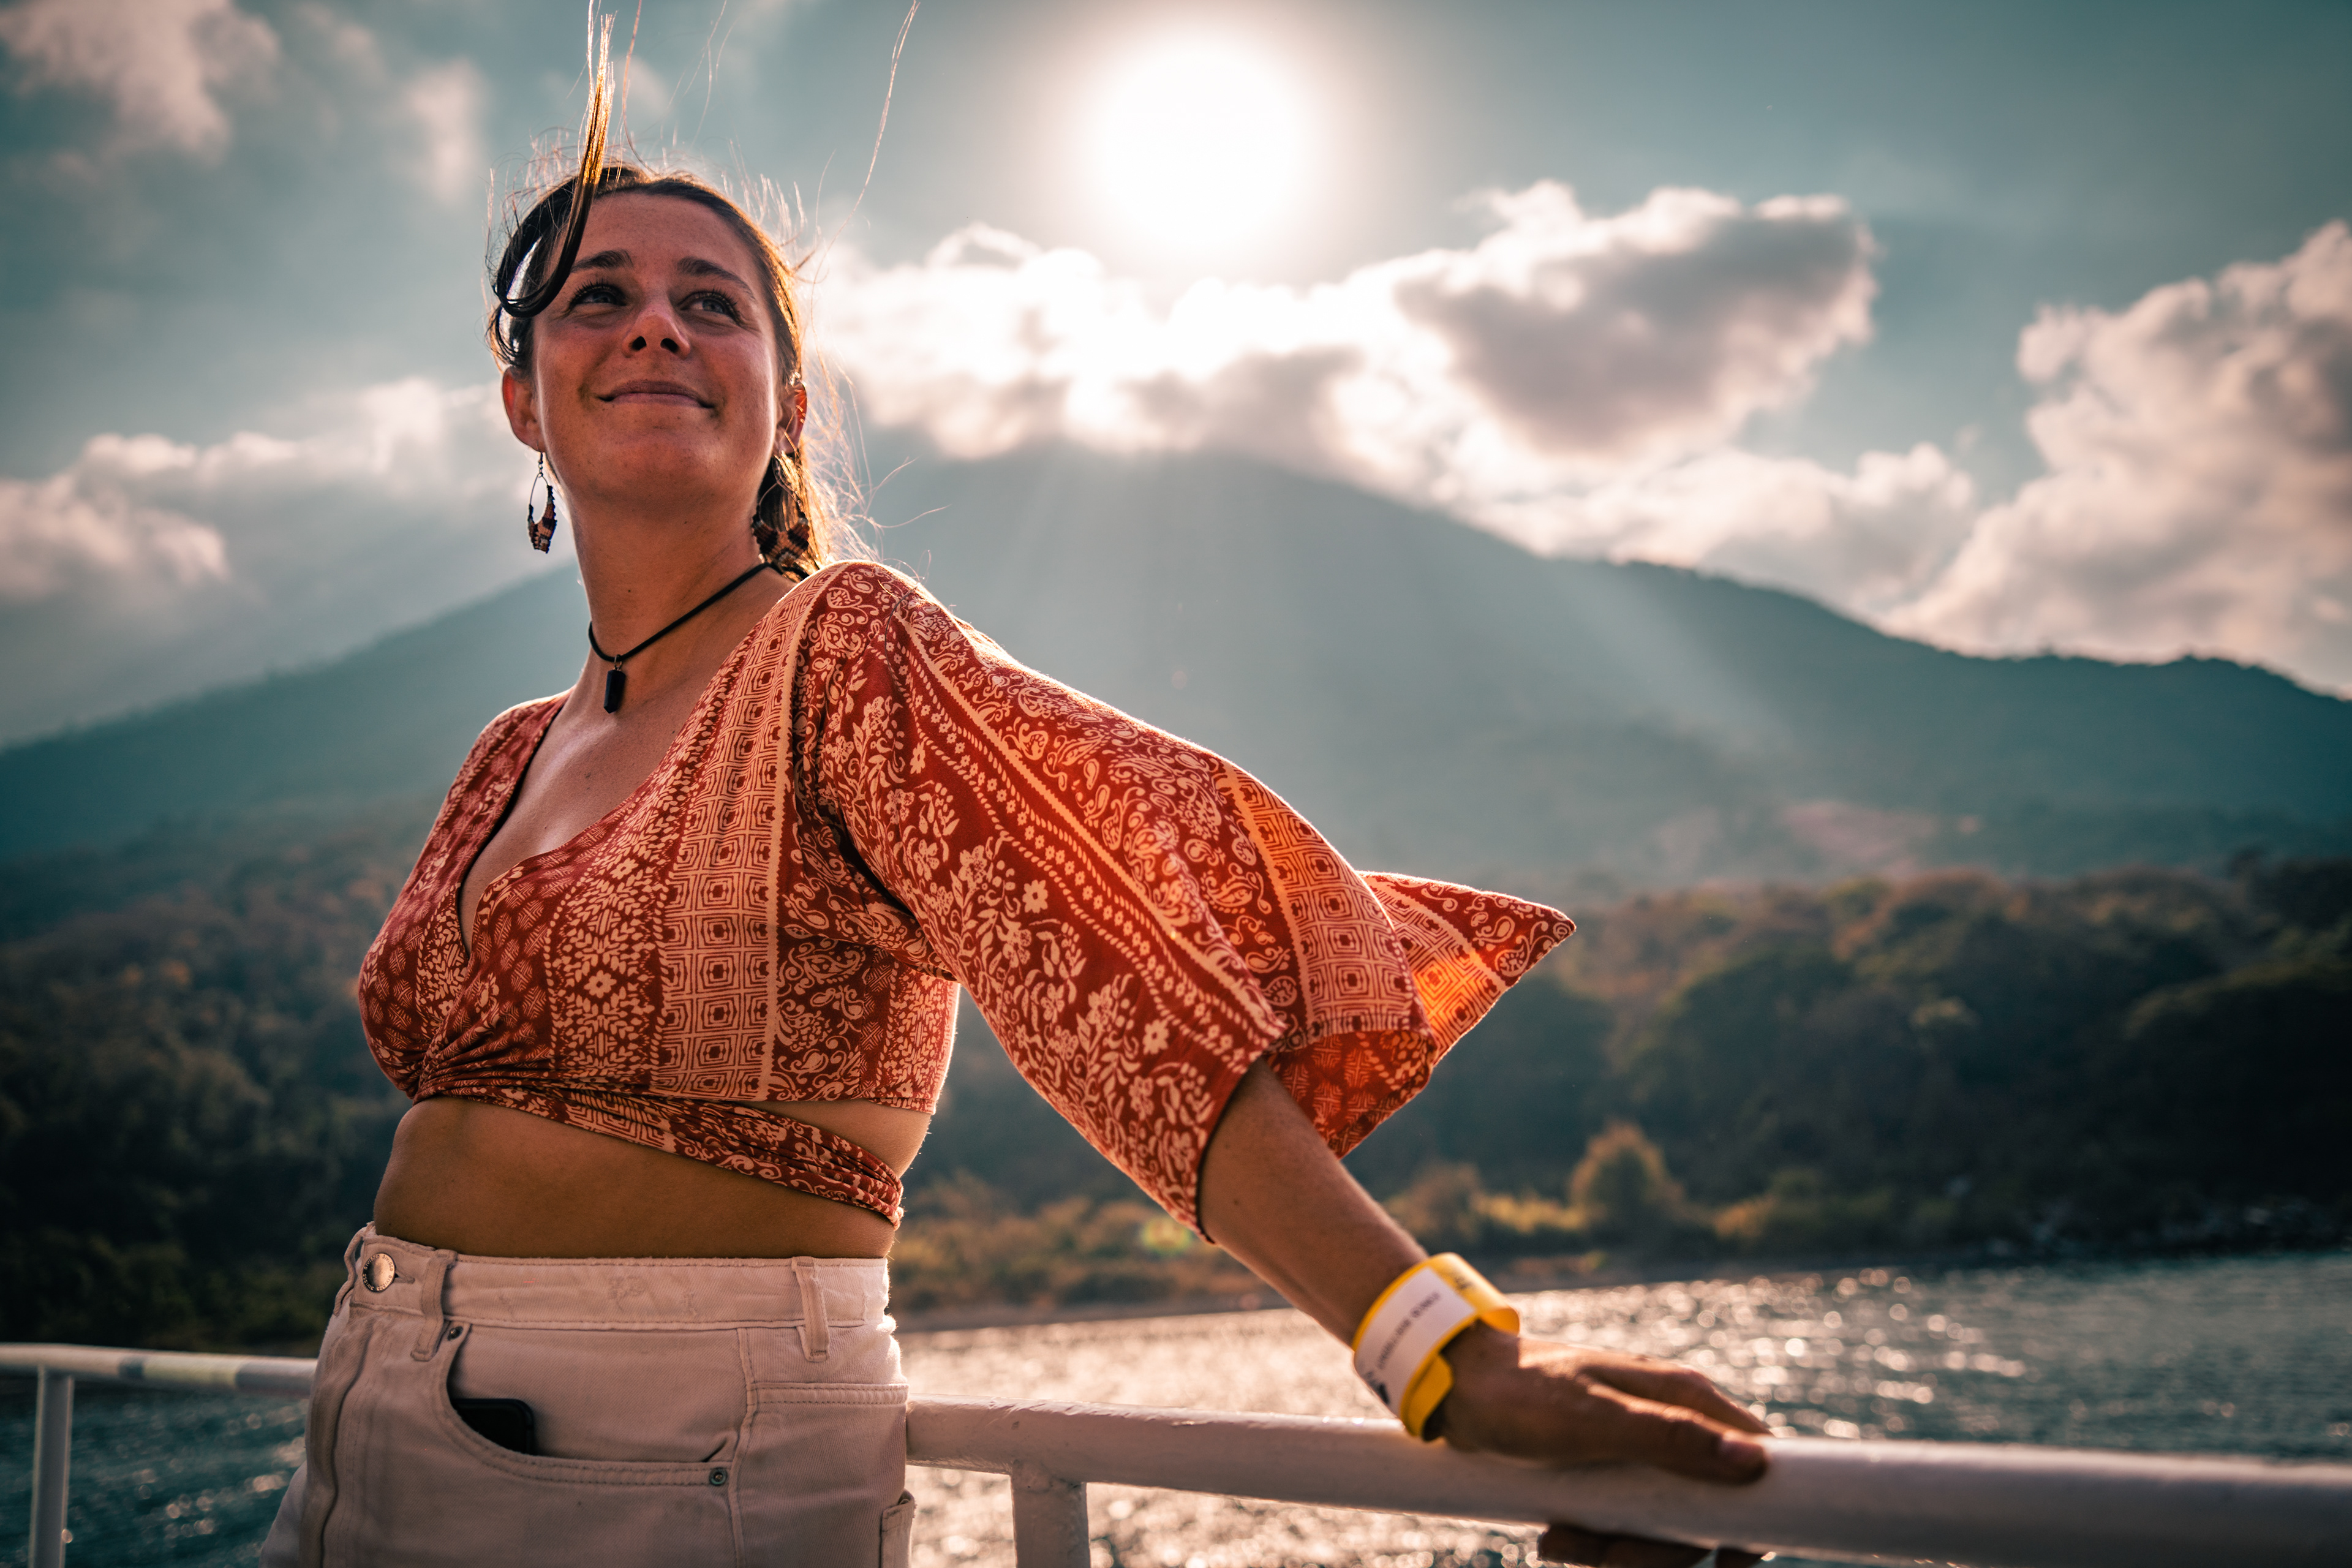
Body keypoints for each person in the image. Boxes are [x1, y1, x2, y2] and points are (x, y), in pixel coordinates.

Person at [262, 73, 1771, 1568]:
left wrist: (1438, 1345)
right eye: (600, 295)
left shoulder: (840, 654)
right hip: (360, 1415)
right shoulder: (506, 754)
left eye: (712, 302)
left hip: (651, 1459)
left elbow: (1118, 989)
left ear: (788, 407)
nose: (658, 322)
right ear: (522, 398)